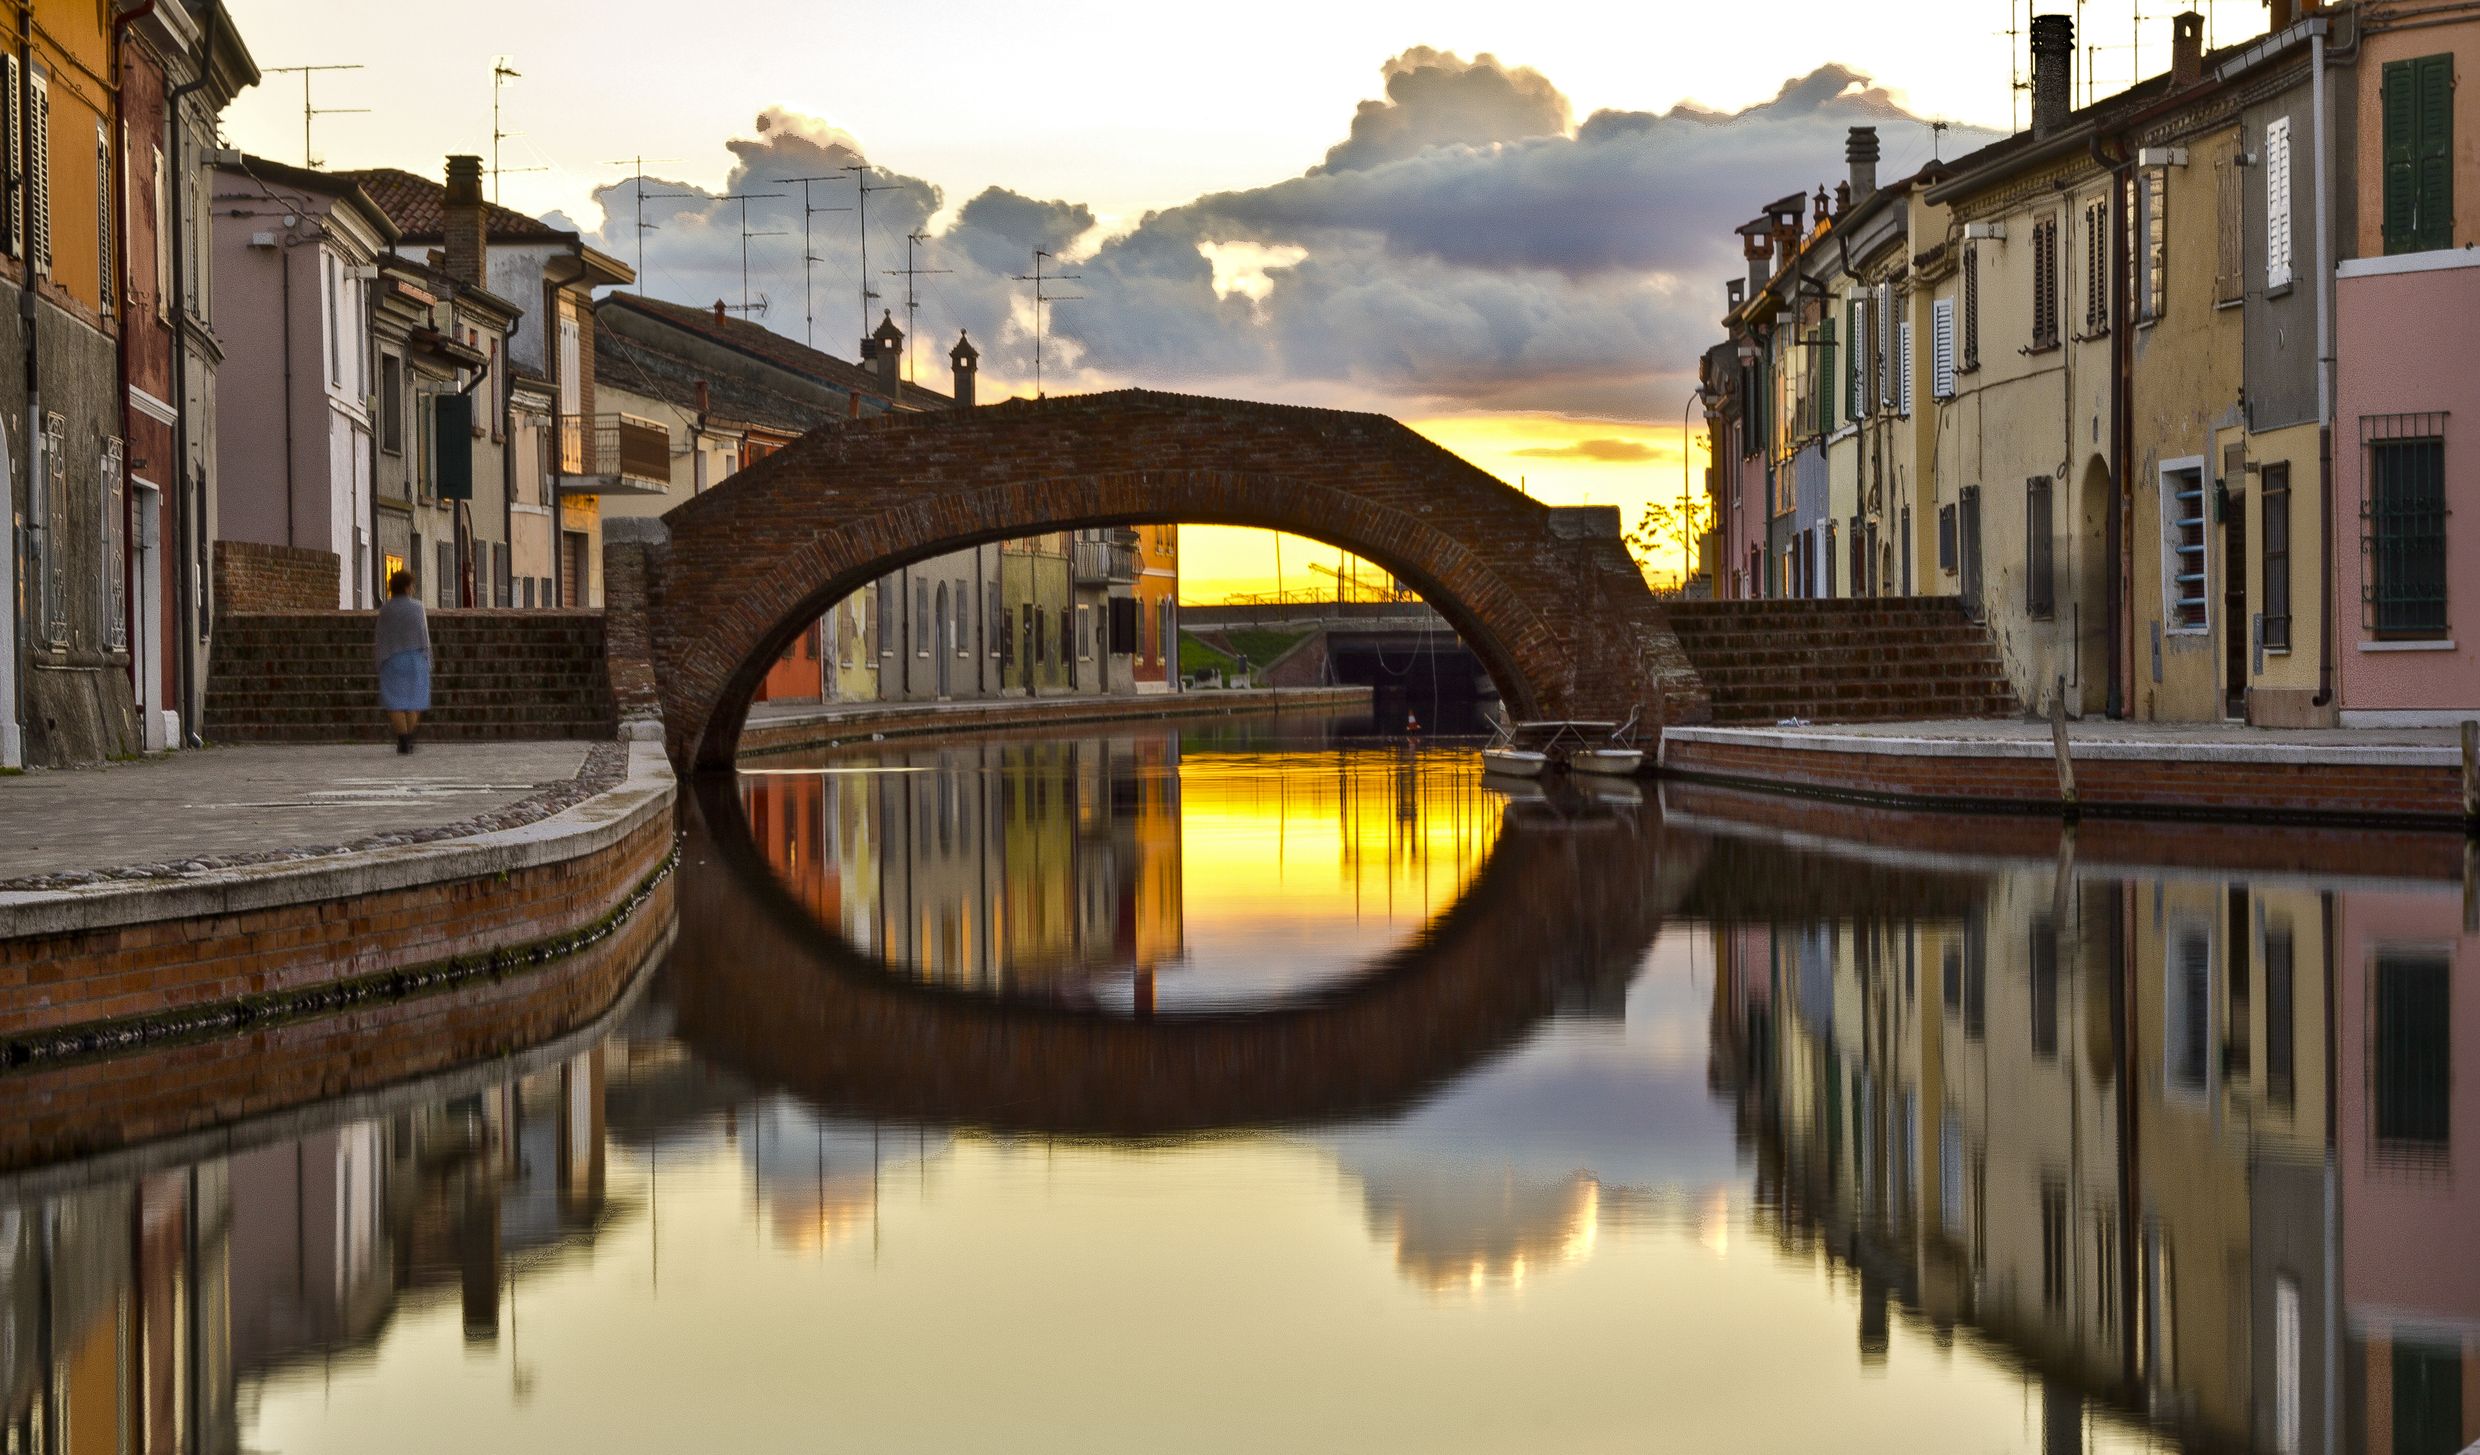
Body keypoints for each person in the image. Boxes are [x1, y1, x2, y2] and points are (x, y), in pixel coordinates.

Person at [376, 569, 432, 754]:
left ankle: (403, 739)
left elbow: (381, 636)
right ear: (408, 587)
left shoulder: (386, 610)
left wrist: (379, 660)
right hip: (415, 659)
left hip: (392, 659)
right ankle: (409, 737)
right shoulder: (418, 607)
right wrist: (427, 659)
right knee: (413, 701)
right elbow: (424, 635)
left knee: (395, 702)